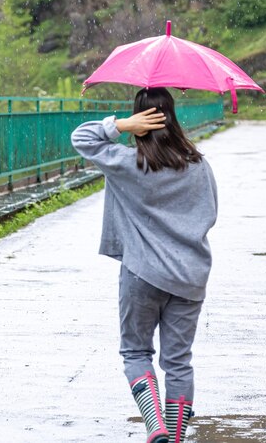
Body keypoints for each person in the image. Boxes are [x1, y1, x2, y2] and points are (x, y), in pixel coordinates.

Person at [70, 87, 218, 443]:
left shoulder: (127, 163)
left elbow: (82, 138)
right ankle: (175, 436)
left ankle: (156, 427)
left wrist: (121, 125)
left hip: (142, 274)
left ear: (140, 120)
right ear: (173, 117)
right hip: (189, 276)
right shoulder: (198, 165)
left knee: (136, 351)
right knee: (178, 362)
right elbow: (210, 212)